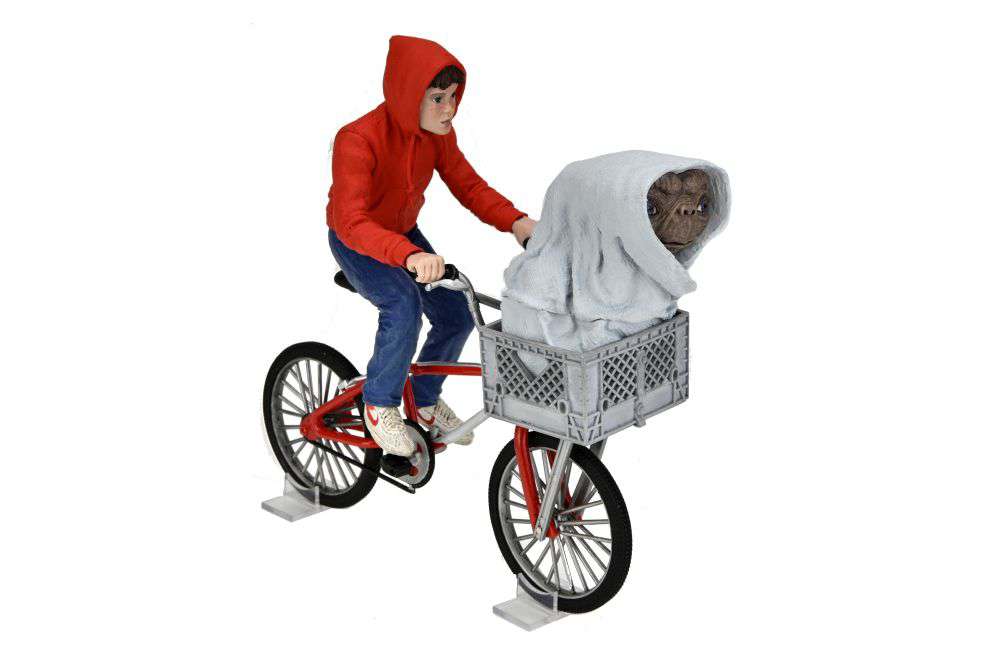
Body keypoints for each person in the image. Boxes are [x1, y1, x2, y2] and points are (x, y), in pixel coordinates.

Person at [327, 35, 536, 457]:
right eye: (438, 98)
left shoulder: (436, 136)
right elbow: (351, 221)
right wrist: (409, 255)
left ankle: (423, 399)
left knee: (456, 314)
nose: (450, 108)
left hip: (404, 236)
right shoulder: (357, 139)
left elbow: (469, 186)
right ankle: (378, 404)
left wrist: (516, 222)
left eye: (454, 96)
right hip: (358, 240)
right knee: (402, 305)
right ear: (407, 96)